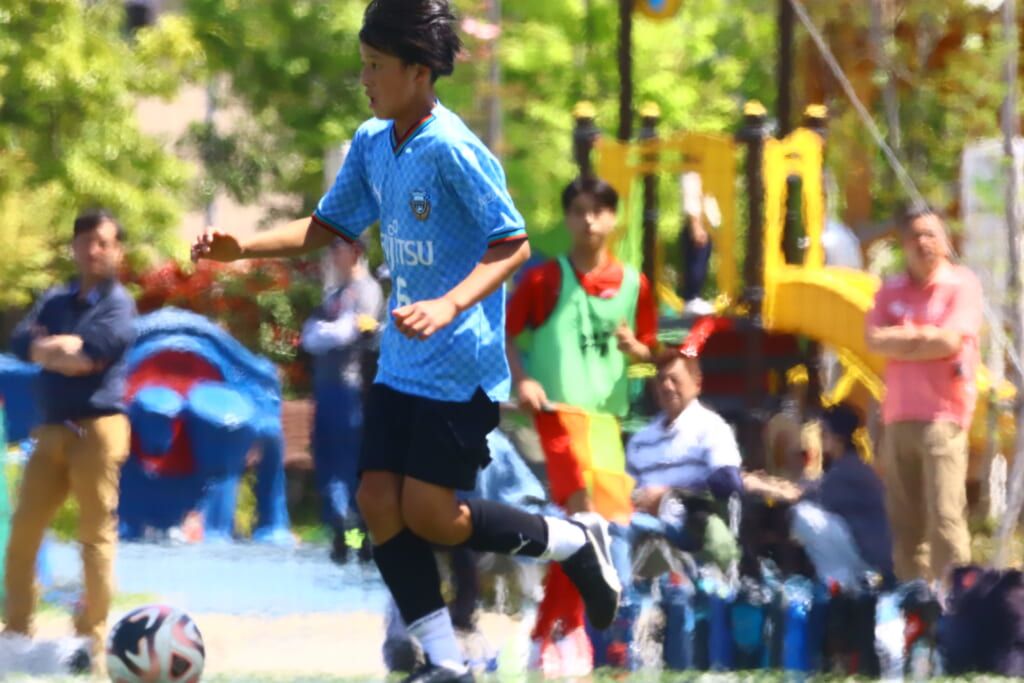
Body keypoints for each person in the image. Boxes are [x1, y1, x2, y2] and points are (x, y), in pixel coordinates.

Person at [191, 3, 620, 681]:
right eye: (362, 64)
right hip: (401, 360)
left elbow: (512, 243)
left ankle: (571, 539)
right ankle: (444, 661)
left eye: (376, 66)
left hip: (460, 364)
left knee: (431, 514)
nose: (364, 79)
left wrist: (449, 303)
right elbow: (329, 226)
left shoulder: (452, 147)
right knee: (377, 502)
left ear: (419, 72)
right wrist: (243, 245)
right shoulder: (371, 142)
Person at [505, 175, 657, 674]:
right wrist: (523, 379)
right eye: (579, 211)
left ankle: (558, 630)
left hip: (606, 420)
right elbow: (508, 334)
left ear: (614, 218)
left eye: (598, 210)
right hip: (558, 415)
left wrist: (639, 350)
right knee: (584, 520)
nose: (589, 220)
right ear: (568, 218)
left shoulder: (635, 284)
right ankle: (557, 635)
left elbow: (650, 348)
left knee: (595, 530)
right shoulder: (543, 279)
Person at [2, 209, 137, 674]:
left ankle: (91, 641)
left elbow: (89, 358)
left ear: (117, 250)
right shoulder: (56, 298)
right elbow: (21, 341)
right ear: (75, 247)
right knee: (24, 531)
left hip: (98, 428)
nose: (93, 250)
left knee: (94, 537)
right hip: (53, 428)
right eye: (85, 241)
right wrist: (59, 349)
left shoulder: (119, 305)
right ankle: (15, 633)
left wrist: (50, 350)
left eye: (103, 242)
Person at [865, 204, 983, 582]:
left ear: (945, 241)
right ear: (903, 243)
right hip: (898, 418)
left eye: (931, 234)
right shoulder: (889, 290)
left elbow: (949, 341)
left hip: (943, 418)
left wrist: (901, 337)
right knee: (905, 525)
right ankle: (913, 603)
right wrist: (925, 338)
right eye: (915, 236)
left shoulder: (962, 285)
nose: (923, 243)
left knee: (945, 519)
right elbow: (873, 339)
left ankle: (958, 603)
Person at [747, 403, 895, 588]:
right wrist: (768, 483)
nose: (820, 437)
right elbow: (808, 487)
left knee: (803, 514)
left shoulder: (848, 470)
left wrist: (759, 486)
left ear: (838, 438)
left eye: (824, 433)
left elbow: (799, 494)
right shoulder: (848, 465)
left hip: (872, 558)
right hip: (868, 550)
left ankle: (838, 583)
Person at [300, 236, 383, 564]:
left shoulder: (367, 290)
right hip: (326, 389)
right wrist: (326, 332)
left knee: (350, 468)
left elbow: (350, 332)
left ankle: (358, 538)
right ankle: (339, 531)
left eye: (338, 248)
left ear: (356, 251)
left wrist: (327, 332)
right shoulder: (333, 293)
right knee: (328, 465)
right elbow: (310, 336)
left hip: (351, 391)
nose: (332, 254)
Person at [625, 347, 743, 572]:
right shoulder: (640, 440)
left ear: (697, 383)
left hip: (689, 528)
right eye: (661, 380)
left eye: (674, 379)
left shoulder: (712, 428)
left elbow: (728, 483)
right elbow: (625, 490)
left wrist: (667, 493)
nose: (667, 386)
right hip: (640, 527)